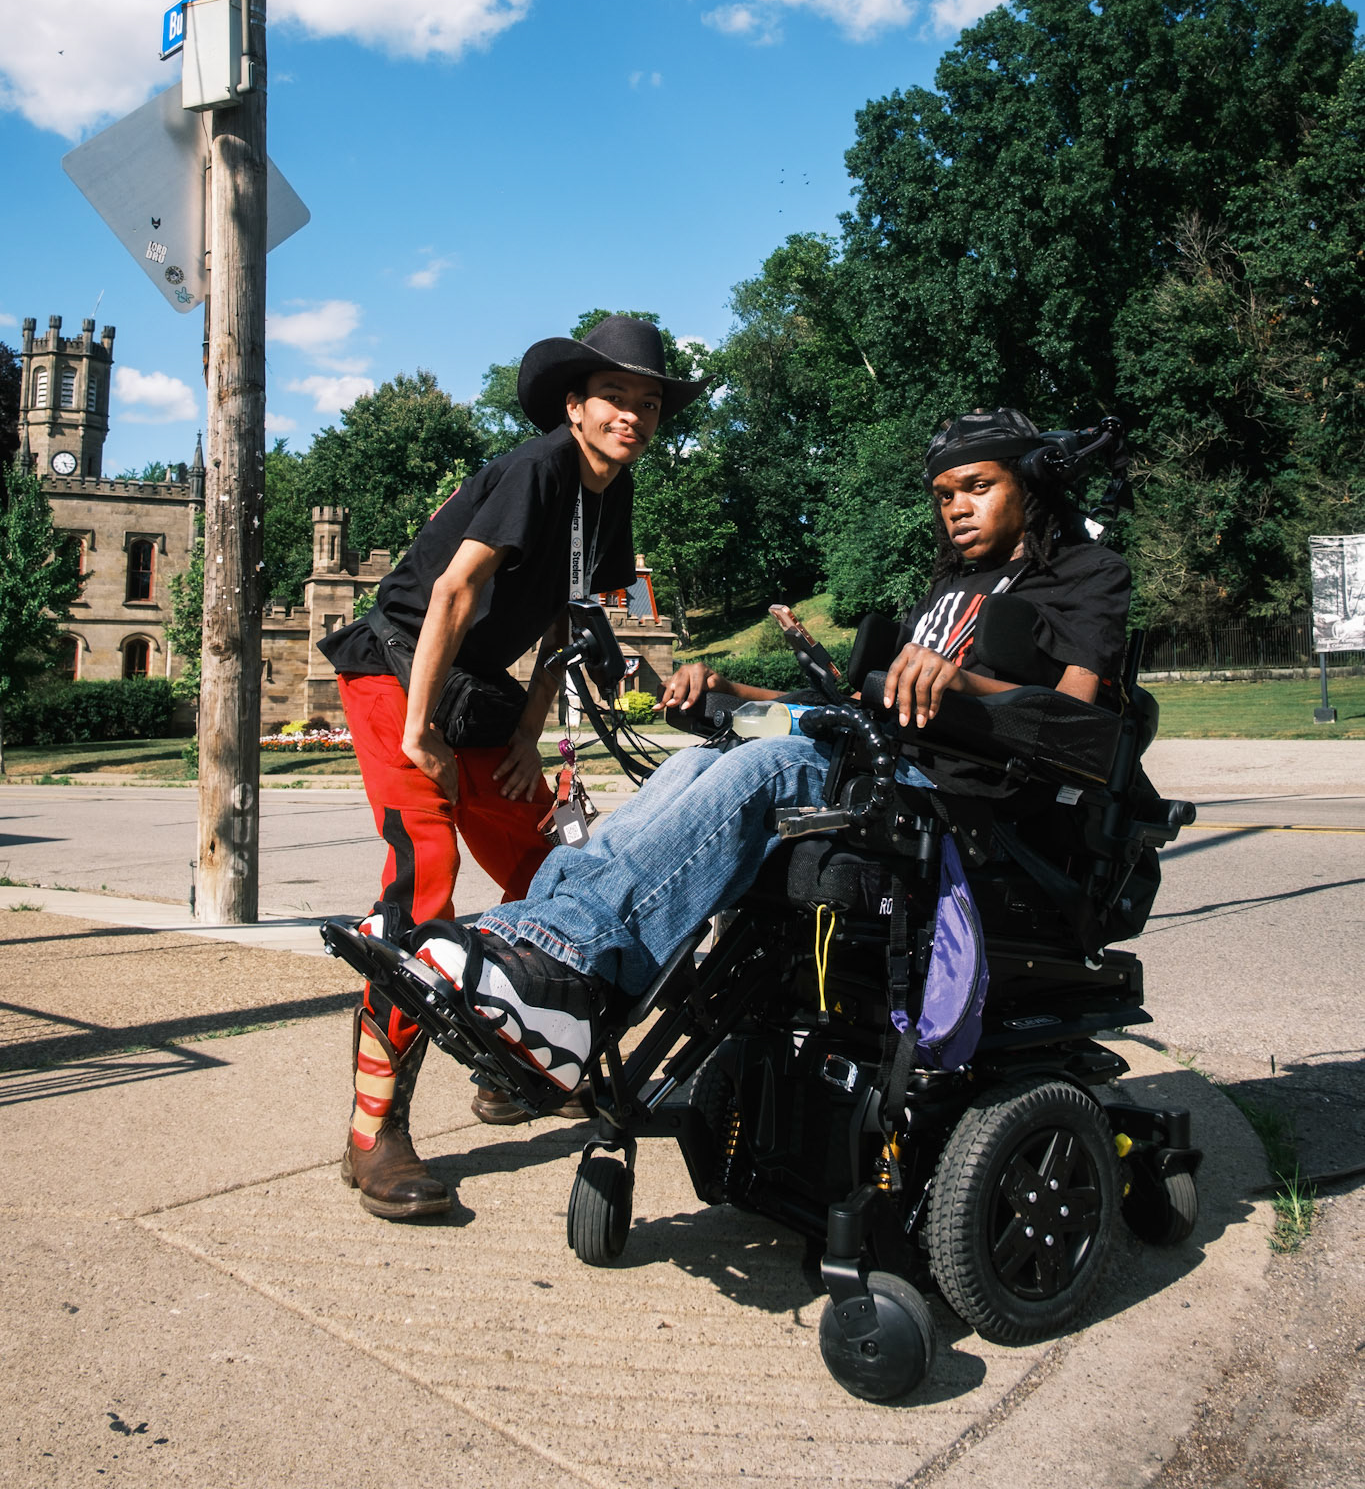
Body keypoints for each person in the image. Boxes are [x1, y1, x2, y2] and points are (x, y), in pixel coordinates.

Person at [387, 407, 1133, 1102]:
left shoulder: (1085, 573)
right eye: (944, 496)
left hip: (964, 799)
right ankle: (529, 946)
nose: (957, 508)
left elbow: (1079, 723)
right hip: (881, 763)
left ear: (1027, 485)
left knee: (768, 767)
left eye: (977, 487)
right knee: (698, 760)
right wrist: (731, 689)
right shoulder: (952, 584)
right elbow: (857, 703)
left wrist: (963, 680)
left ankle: (563, 958)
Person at [318, 315, 708, 1218]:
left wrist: (530, 733)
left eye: (648, 403)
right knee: (423, 885)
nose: (632, 415)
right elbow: (452, 590)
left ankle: (513, 1066)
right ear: (574, 405)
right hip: (397, 673)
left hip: (478, 691)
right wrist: (420, 729)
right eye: (613, 397)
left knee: (550, 872)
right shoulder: (537, 468)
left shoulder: (611, 491)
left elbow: (566, 616)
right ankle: (374, 1134)